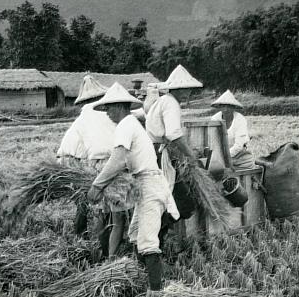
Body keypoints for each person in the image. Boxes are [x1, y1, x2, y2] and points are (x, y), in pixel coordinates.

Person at [88, 82, 180, 296]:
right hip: (145, 183)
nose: (108, 113)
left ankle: (155, 291)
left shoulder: (126, 125)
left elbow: (118, 159)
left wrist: (97, 185)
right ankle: (142, 279)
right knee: (136, 234)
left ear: (120, 106)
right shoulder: (130, 124)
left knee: (147, 241)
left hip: (149, 184)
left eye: (109, 108)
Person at [57, 75, 132, 257]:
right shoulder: (101, 113)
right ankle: (101, 250)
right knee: (107, 212)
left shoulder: (83, 116)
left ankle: (87, 243)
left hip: (74, 161)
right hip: (93, 163)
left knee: (95, 208)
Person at [146, 64, 201, 223]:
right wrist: (191, 156)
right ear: (176, 89)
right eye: (185, 89)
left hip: (155, 152)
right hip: (161, 155)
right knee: (178, 202)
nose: (188, 93)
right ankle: (158, 233)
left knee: (167, 198)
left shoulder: (163, 100)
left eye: (189, 89)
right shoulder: (171, 103)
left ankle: (160, 234)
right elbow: (173, 134)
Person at [210, 90, 253, 169]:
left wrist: (225, 157)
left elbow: (238, 146)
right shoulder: (215, 119)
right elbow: (213, 142)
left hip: (240, 157)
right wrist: (219, 158)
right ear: (219, 107)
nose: (226, 109)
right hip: (219, 158)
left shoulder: (240, 119)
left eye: (229, 106)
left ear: (234, 107)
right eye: (223, 106)